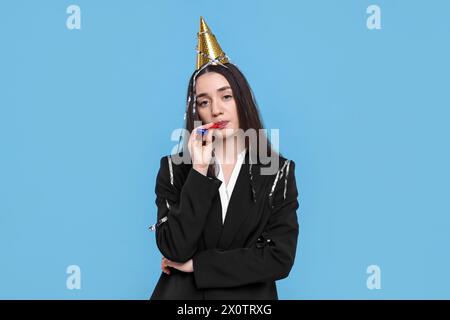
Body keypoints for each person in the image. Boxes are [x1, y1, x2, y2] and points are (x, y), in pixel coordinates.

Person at [149, 17, 299, 300]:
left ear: (242, 100)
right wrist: (199, 169)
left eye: (226, 96)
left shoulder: (278, 172)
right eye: (204, 102)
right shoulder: (174, 169)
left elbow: (279, 258)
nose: (216, 110)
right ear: (197, 113)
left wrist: (198, 266)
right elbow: (174, 248)